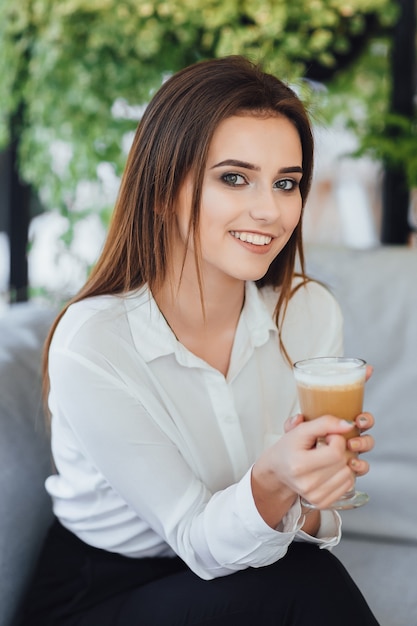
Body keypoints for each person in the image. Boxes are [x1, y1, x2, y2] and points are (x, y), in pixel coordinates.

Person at [20, 55, 379, 625]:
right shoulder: (93, 343)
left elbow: (306, 522)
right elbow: (195, 536)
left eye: (287, 183)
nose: (269, 210)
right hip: (105, 592)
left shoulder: (308, 312)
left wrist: (311, 484)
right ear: (163, 191)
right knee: (304, 584)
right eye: (234, 177)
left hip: (253, 569)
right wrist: (274, 480)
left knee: (296, 579)